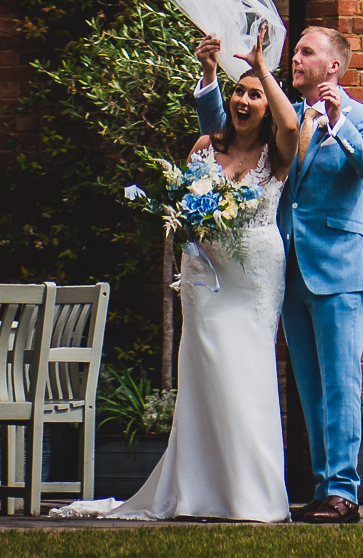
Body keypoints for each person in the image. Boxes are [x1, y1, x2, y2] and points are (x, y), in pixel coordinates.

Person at [54, 45, 300, 523]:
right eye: (238, 92)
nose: (243, 101)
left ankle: (253, 496)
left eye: (255, 94)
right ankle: (199, 491)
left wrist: (263, 70)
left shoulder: (279, 152)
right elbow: (186, 208)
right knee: (208, 374)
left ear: (269, 103)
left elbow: (292, 126)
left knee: (247, 374)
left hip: (254, 278)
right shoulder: (207, 148)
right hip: (205, 276)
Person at [203, 26, 363, 524]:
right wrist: (208, 83)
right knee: (309, 387)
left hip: (341, 271)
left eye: (307, 51)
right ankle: (321, 488)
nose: (298, 58)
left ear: (333, 66)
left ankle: (344, 493)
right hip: (289, 271)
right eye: (298, 51)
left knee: (340, 384)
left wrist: (339, 124)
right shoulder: (285, 117)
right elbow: (231, 137)